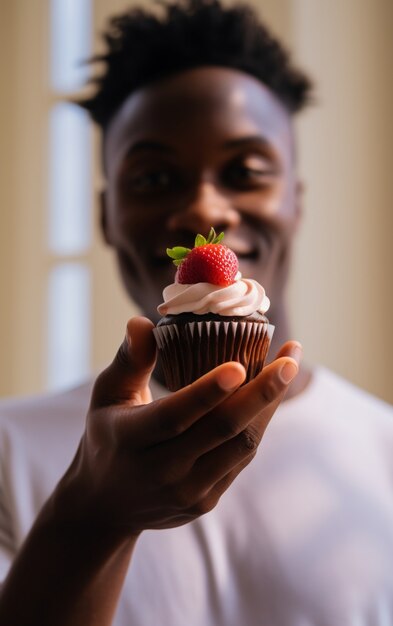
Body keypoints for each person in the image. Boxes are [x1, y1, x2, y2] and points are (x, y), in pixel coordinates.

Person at [0, 1, 392, 624]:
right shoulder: (8, 449)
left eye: (245, 171)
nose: (204, 209)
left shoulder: (384, 448)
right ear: (106, 217)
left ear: (296, 201)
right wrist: (91, 515)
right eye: (155, 178)